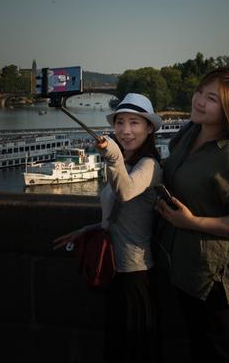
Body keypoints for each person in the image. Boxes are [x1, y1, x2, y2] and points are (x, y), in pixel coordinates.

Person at [155, 68, 229, 363]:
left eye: (212, 98)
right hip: (184, 269)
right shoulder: (190, 132)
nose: (199, 101)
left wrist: (191, 222)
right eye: (200, 92)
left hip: (212, 279)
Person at [54, 93, 163, 363]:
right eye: (120, 122)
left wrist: (112, 154)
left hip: (135, 273)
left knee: (134, 349)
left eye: (134, 123)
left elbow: (125, 192)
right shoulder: (122, 163)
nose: (125, 131)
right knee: (116, 347)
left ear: (149, 128)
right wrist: (86, 230)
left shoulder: (149, 165)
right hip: (114, 270)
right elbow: (116, 217)